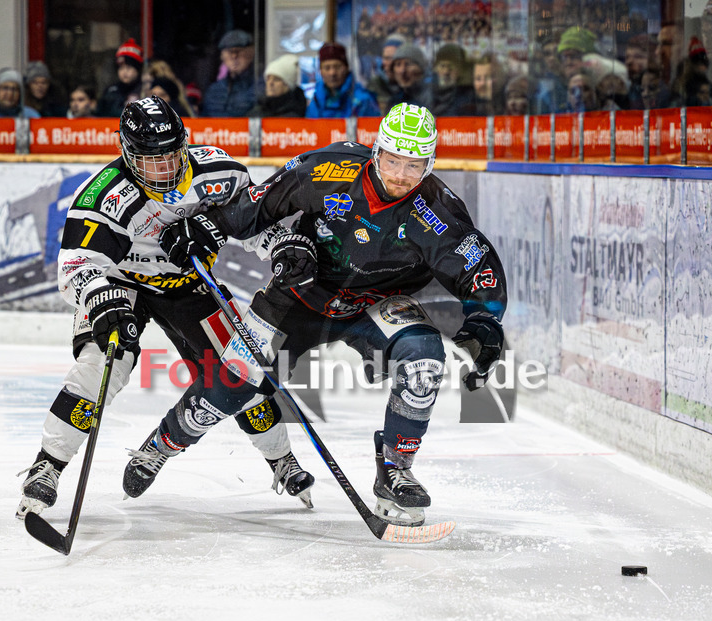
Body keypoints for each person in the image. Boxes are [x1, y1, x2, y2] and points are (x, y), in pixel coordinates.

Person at [133, 103, 508, 527]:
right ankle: (164, 443)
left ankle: (395, 469)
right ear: (376, 150)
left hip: (376, 304)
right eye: (393, 160)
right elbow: (258, 205)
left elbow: (478, 269)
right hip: (301, 294)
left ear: (430, 164)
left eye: (414, 165)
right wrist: (208, 227)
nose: (401, 175)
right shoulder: (329, 168)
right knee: (231, 386)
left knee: (423, 361)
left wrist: (484, 321)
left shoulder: (438, 210)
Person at [16, 96, 313, 520]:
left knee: (242, 370)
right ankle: (48, 465)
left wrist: (281, 247)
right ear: (126, 153)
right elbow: (76, 264)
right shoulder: (103, 194)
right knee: (102, 363)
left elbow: (255, 224)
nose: (163, 169)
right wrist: (100, 294)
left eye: (171, 155)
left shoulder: (221, 172)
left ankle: (281, 460)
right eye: (148, 160)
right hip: (122, 287)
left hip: (189, 284)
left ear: (185, 143)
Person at [306, 42, 380, 118]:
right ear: (321, 71)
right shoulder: (316, 100)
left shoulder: (362, 100)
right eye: (327, 68)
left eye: (337, 67)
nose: (332, 73)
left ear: (346, 68)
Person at [202, 30, 258, 117]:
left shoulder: (260, 87)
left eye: (239, 51)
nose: (234, 56)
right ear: (222, 56)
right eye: (229, 52)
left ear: (251, 52)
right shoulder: (214, 90)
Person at [97, 39, 145, 117]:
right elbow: (99, 114)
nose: (124, 72)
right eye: (121, 68)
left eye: (128, 67)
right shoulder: (111, 91)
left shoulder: (145, 89)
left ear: (138, 69)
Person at [366, 33, 407, 114]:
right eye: (386, 58)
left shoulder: (411, 88)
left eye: (393, 58)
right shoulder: (374, 86)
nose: (388, 63)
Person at [431, 43, 476, 116]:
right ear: (436, 68)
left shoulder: (469, 99)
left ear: (461, 70)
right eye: (442, 66)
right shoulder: (427, 94)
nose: (446, 72)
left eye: (451, 67)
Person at [389, 43, 433, 109]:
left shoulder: (433, 97)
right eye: (398, 64)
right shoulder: (394, 99)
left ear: (421, 68)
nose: (402, 70)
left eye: (408, 64)